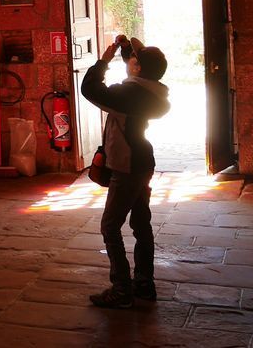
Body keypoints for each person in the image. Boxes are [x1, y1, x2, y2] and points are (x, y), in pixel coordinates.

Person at [81, 34, 170, 309]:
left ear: (138, 67)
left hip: (127, 165)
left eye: (134, 59)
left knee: (110, 226)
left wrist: (103, 61)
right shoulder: (148, 89)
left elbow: (90, 89)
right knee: (141, 224)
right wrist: (126, 49)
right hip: (142, 162)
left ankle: (121, 289)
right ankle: (144, 283)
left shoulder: (128, 94)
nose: (131, 60)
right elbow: (135, 74)